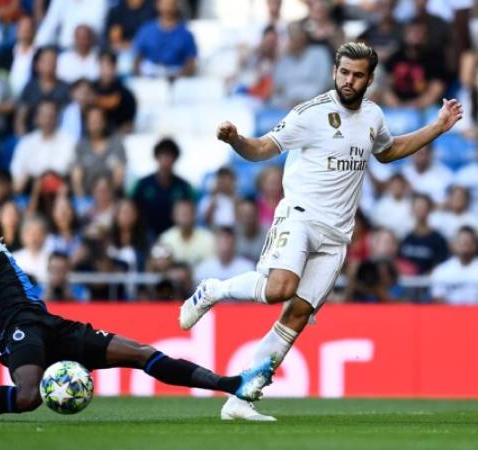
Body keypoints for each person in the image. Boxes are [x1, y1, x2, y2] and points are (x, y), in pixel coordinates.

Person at [178, 41, 463, 421]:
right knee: (279, 288)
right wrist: (235, 140)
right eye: (344, 72)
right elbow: (262, 148)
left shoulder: (374, 116)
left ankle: (241, 399)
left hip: (337, 236)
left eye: (357, 75)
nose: (349, 80)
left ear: (369, 79)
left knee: (296, 315)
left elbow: (389, 151)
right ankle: (215, 289)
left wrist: (438, 127)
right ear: (334, 72)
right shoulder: (310, 114)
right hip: (299, 216)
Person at [0, 172, 274, 422]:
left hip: (48, 322)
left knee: (139, 352)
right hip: (17, 326)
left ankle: (232, 383)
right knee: (27, 398)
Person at [431, 226, 478, 304]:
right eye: (461, 242)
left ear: (475, 245)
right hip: (449, 314)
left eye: (468, 242)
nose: (465, 245)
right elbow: (438, 298)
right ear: (453, 245)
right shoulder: (441, 270)